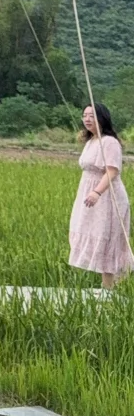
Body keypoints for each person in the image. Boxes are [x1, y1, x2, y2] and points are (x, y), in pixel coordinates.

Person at [68, 102, 133, 290]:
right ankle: (109, 286)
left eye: (91, 115)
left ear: (102, 118)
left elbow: (112, 171)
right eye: (84, 115)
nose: (87, 119)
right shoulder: (91, 141)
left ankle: (108, 287)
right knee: (90, 231)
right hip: (89, 193)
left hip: (107, 196)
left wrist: (97, 192)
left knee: (107, 237)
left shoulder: (109, 142)